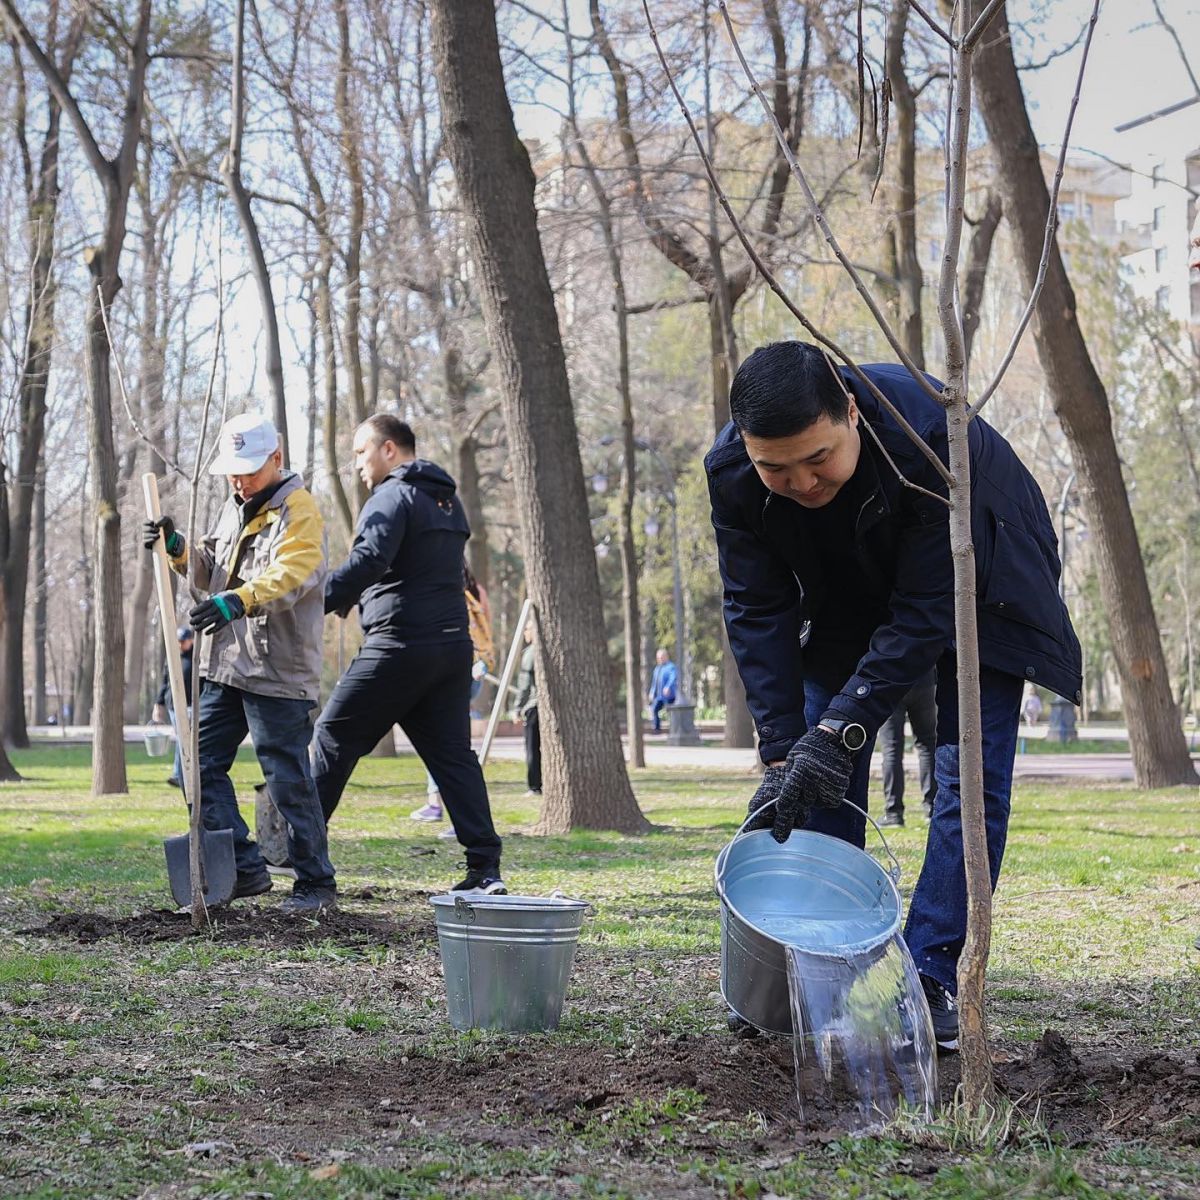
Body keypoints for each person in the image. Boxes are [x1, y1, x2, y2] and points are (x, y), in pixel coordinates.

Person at [707, 341, 1082, 1050]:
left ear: (850, 412)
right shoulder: (732, 474)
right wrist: (789, 748)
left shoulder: (926, 441)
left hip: (986, 577)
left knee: (964, 775)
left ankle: (931, 974)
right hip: (855, 585)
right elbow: (756, 608)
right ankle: (820, 964)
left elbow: (927, 609)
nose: (802, 483)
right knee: (811, 768)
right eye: (775, 468)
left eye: (818, 459)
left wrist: (843, 731)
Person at [142, 413, 337, 913]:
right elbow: (212, 571)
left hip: (278, 667)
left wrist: (240, 599)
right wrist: (180, 550)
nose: (240, 479)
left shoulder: (299, 509)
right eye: (233, 470)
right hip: (226, 664)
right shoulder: (233, 508)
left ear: (277, 458)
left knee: (286, 779)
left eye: (249, 469)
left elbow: (294, 573)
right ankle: (246, 868)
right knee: (196, 766)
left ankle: (316, 884)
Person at [312, 415, 506, 895]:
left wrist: (313, 601)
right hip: (449, 649)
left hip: (398, 645)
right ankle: (485, 870)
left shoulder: (391, 496)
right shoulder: (446, 500)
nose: (356, 463)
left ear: (390, 450)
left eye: (362, 451)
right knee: (452, 757)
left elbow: (369, 560)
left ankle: (301, 852)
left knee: (333, 735)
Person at [411, 562, 495, 833]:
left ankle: (450, 812)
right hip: (473, 669)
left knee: (447, 746)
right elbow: (487, 628)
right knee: (448, 743)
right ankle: (439, 805)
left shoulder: (445, 589)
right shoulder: (475, 591)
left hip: (453, 670)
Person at [877, 670, 937, 827]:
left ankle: (893, 813)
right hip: (924, 678)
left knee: (891, 749)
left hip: (890, 679)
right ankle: (932, 807)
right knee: (927, 744)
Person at [152, 626, 195, 788]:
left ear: (190, 640)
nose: (180, 645)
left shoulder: (196, 658)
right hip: (174, 704)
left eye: (183, 641)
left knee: (187, 739)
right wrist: (159, 703)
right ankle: (179, 774)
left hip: (191, 704)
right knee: (182, 738)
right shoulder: (172, 657)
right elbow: (165, 682)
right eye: (178, 641)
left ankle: (184, 773)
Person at [512, 624, 541, 796]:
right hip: (547, 708)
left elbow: (524, 685)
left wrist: (517, 708)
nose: (525, 633)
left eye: (527, 629)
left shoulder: (530, 653)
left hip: (534, 707)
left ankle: (534, 785)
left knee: (532, 748)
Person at [647, 648, 678, 734]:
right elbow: (654, 682)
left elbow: (673, 677)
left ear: (666, 656)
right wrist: (652, 692)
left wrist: (668, 687)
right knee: (654, 709)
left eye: (661, 657)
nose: (660, 659)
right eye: (658, 658)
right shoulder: (657, 669)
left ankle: (674, 729)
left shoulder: (671, 667)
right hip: (659, 696)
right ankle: (657, 729)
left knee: (671, 713)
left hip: (669, 695)